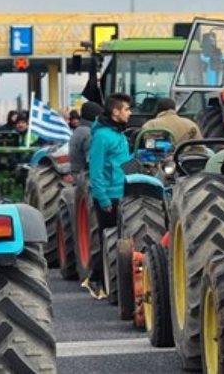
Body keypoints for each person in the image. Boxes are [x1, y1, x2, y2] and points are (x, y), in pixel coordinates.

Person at [84, 93, 132, 299]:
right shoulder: (102, 137)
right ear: (115, 112)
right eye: (126, 109)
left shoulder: (119, 134)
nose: (130, 113)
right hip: (108, 196)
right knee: (108, 238)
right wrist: (102, 198)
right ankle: (97, 280)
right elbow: (95, 170)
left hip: (123, 191)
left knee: (120, 240)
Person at [69, 101, 104, 176]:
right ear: (95, 116)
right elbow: (92, 160)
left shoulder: (79, 129)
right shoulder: (89, 133)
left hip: (77, 174)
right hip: (85, 177)